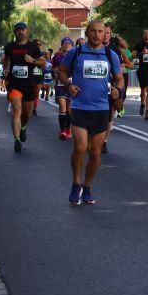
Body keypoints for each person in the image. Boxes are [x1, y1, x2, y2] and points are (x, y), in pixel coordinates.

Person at [56, 20, 123, 205]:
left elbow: (119, 78)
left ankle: (87, 186)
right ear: (87, 33)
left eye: (100, 31)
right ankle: (76, 183)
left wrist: (118, 91)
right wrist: (68, 85)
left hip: (101, 109)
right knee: (80, 147)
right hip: (79, 107)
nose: (97, 34)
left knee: (95, 152)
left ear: (105, 34)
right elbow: (61, 71)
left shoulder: (110, 55)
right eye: (93, 31)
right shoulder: (76, 52)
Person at [2, 22, 43, 152]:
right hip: (14, 84)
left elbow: (43, 62)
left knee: (27, 113)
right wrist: (6, 70)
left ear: (27, 32)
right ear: (14, 32)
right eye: (18, 30)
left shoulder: (33, 47)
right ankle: (17, 140)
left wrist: (33, 60)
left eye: (22, 30)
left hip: (29, 84)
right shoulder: (9, 47)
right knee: (16, 111)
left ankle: (23, 127)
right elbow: (6, 61)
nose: (20, 32)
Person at [51, 37, 75, 139]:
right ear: (62, 45)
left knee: (69, 110)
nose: (67, 45)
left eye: (69, 43)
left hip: (72, 84)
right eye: (65, 43)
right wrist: (55, 72)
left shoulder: (76, 56)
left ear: (72, 45)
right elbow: (53, 67)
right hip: (60, 84)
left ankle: (68, 128)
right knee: (62, 106)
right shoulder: (57, 56)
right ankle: (62, 131)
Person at [134, 29, 148, 120]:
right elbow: (133, 55)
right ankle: (142, 104)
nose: (147, 35)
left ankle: (147, 111)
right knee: (143, 91)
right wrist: (141, 53)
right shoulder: (139, 44)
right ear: (143, 35)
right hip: (142, 69)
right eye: (145, 33)